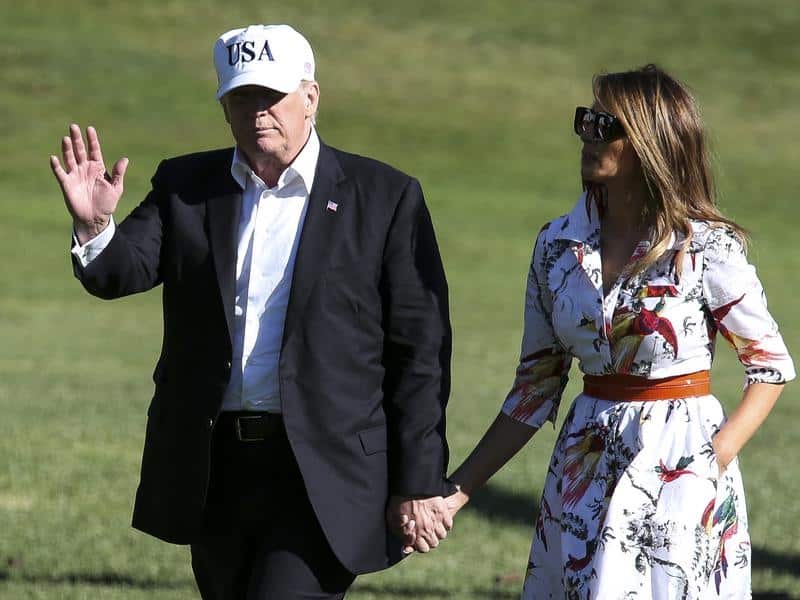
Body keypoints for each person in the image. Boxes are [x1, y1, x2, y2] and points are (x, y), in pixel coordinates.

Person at [50, 23, 454, 599]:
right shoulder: (185, 185)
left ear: (310, 98)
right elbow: (120, 271)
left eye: (272, 95)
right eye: (241, 97)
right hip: (215, 468)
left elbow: (421, 353)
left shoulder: (385, 196)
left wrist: (418, 480)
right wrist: (94, 227)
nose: (257, 111)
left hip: (324, 471)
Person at [439, 65, 795, 598]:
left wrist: (709, 463)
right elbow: (536, 390)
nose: (588, 133)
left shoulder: (706, 247)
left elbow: (769, 367)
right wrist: (456, 492)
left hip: (679, 467)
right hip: (582, 467)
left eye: (607, 125)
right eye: (586, 120)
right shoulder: (555, 245)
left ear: (650, 140)